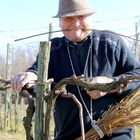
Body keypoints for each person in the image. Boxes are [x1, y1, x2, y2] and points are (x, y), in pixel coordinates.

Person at [11, 0, 140, 139]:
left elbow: (137, 76)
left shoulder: (111, 43)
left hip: (115, 133)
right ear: (60, 21)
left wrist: (112, 84)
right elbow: (38, 74)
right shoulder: (53, 49)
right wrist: (29, 78)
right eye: (68, 18)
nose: (76, 24)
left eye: (81, 17)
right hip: (69, 136)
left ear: (90, 17)